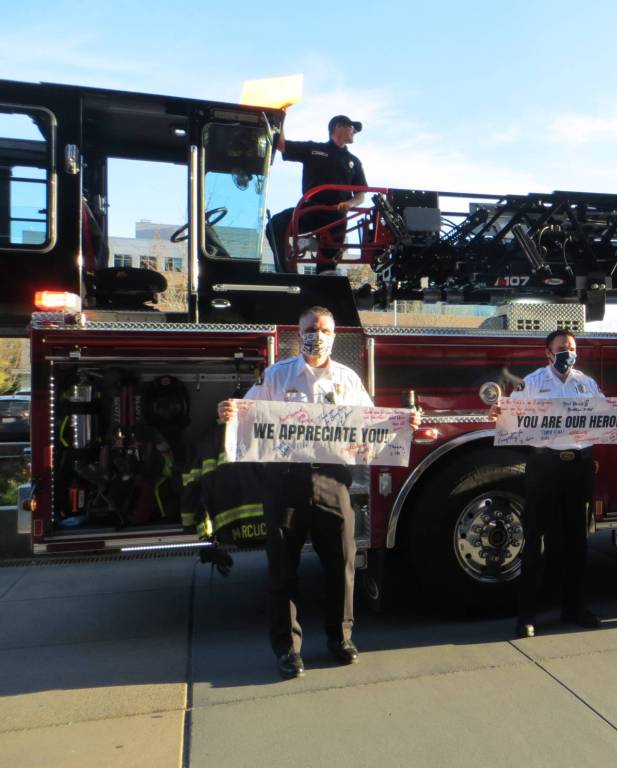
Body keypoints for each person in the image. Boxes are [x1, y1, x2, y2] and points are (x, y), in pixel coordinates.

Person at [218, 306, 418, 679]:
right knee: (282, 568)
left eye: (324, 329)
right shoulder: (276, 377)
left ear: (334, 335)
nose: (317, 335)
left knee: (342, 562)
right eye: (311, 328)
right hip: (284, 482)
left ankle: (340, 638)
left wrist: (404, 423)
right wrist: (228, 412)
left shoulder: (347, 378)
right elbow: (245, 414)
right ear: (298, 333)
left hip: (332, 480)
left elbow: (371, 424)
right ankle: (287, 649)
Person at [490, 329, 617, 638]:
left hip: (578, 467)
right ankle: (527, 615)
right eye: (563, 347)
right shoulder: (532, 383)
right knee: (536, 541)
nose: (569, 352)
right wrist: (498, 413)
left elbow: (607, 415)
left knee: (577, 541)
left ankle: (574, 607)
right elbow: (510, 418)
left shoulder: (586, 383)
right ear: (548, 353)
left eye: (573, 347)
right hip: (544, 466)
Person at [266, 115, 368, 271]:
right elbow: (281, 145)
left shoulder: (354, 161)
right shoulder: (314, 149)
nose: (354, 131)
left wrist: (350, 203)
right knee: (275, 225)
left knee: (327, 267)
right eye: (351, 126)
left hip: (336, 218)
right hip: (310, 211)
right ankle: (287, 275)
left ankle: (320, 283)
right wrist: (281, 119)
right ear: (337, 127)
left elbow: (361, 194)